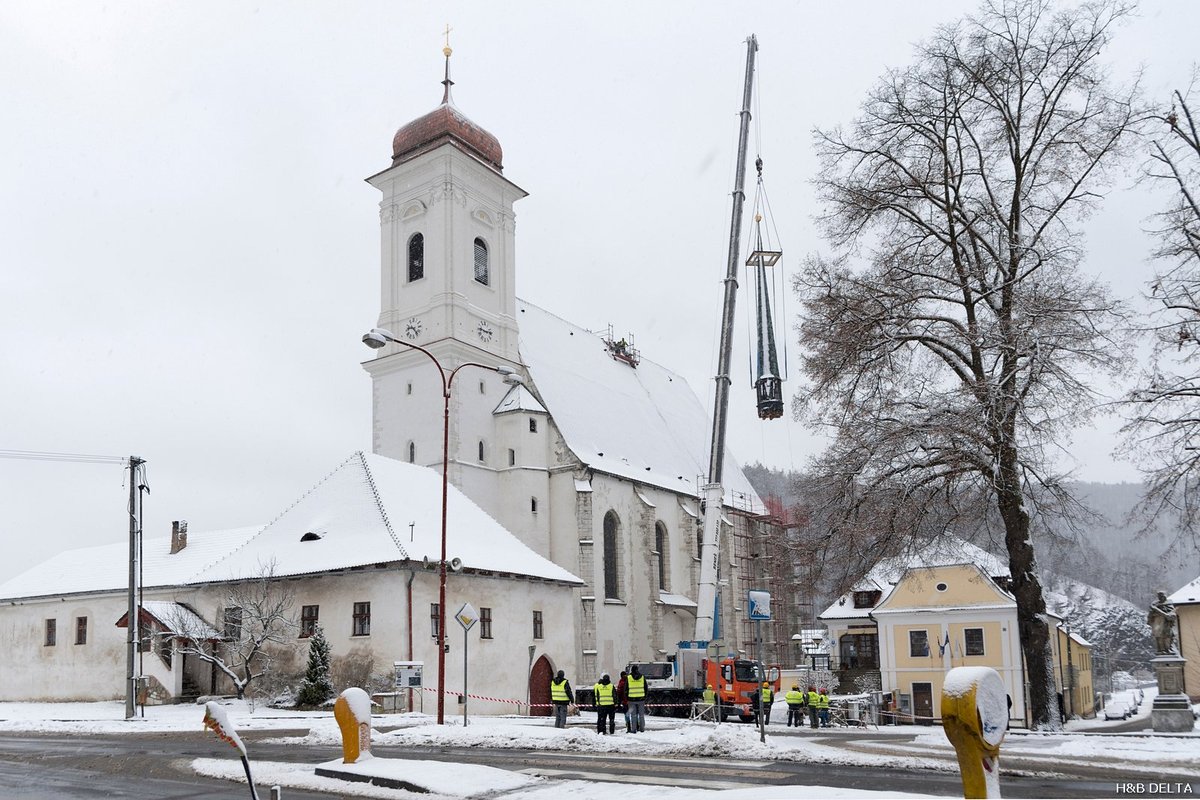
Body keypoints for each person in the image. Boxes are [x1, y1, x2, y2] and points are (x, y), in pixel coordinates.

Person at [1149, 590, 1179, 655]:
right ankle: (1161, 650)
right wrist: (1156, 614)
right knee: (1159, 637)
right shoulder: (1155, 605)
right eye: (1160, 596)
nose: (1161, 597)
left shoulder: (1169, 604)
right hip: (1158, 623)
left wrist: (1170, 615)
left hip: (1167, 623)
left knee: (1169, 636)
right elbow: (1151, 615)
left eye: (1162, 596)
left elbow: (1172, 613)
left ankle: (1168, 648)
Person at [626, 664, 647, 733]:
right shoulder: (642, 677)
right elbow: (646, 688)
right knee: (641, 715)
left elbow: (626, 689)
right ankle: (642, 729)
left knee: (633, 715)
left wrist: (627, 697)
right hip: (641, 699)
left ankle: (634, 729)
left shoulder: (629, 678)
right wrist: (644, 696)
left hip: (631, 699)